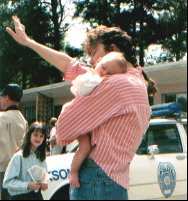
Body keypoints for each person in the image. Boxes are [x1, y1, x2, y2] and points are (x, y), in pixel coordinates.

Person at [6, 17, 155, 200]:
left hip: (96, 179)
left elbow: (64, 128)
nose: (91, 61)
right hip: (112, 179)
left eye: (94, 53)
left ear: (113, 50)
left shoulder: (116, 84)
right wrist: (29, 42)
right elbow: (70, 65)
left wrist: (76, 100)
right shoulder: (133, 81)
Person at [68, 51, 128, 188]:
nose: (104, 72)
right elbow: (79, 89)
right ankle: (73, 172)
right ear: (98, 60)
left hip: (90, 122)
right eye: (104, 66)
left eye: (110, 73)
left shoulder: (105, 84)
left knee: (87, 146)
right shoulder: (91, 77)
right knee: (85, 147)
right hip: (80, 120)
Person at [3, 122, 48, 200]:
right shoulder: (18, 157)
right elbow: (7, 183)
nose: (38, 138)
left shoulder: (41, 158)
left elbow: (44, 177)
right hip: (19, 197)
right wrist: (27, 185)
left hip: (37, 196)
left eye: (41, 136)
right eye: (35, 135)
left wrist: (44, 184)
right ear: (29, 135)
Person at [0, 83, 28, 200]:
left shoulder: (2, 117)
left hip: (2, 170)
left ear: (6, 97)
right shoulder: (23, 120)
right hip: (19, 170)